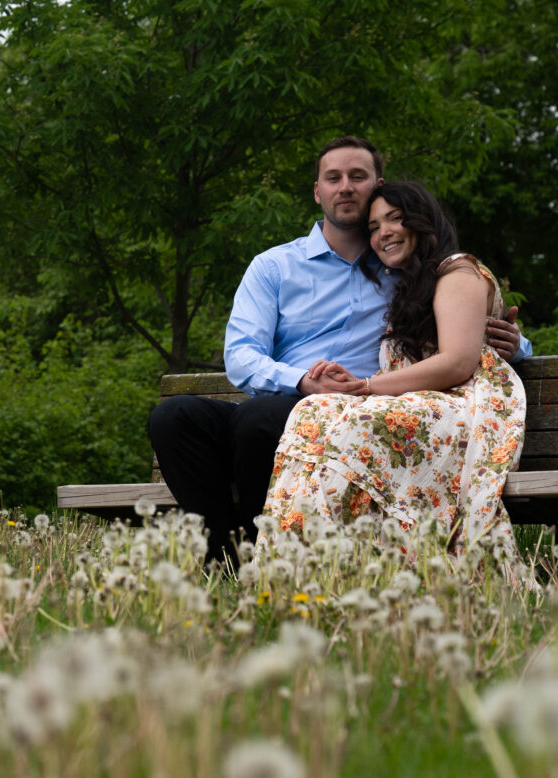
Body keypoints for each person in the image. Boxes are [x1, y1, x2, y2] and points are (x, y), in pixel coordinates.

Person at [146, 136, 527, 565]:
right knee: (174, 417)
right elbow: (241, 355)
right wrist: (301, 380)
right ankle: (226, 555)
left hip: (351, 413)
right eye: (333, 178)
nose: (345, 186)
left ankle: (274, 562)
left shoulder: (402, 263)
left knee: (261, 419)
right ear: (317, 191)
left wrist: (516, 344)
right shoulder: (274, 266)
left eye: (357, 177)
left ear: (377, 187)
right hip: (284, 400)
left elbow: (461, 319)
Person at [259, 181, 527, 563]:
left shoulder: (458, 271)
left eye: (395, 219)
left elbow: (457, 362)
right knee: (311, 411)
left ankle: (329, 557)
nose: (383, 232)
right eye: (373, 226)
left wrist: (365, 386)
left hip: (467, 407)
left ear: (422, 223)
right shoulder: (408, 285)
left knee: (348, 422)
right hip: (423, 403)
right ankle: (303, 557)